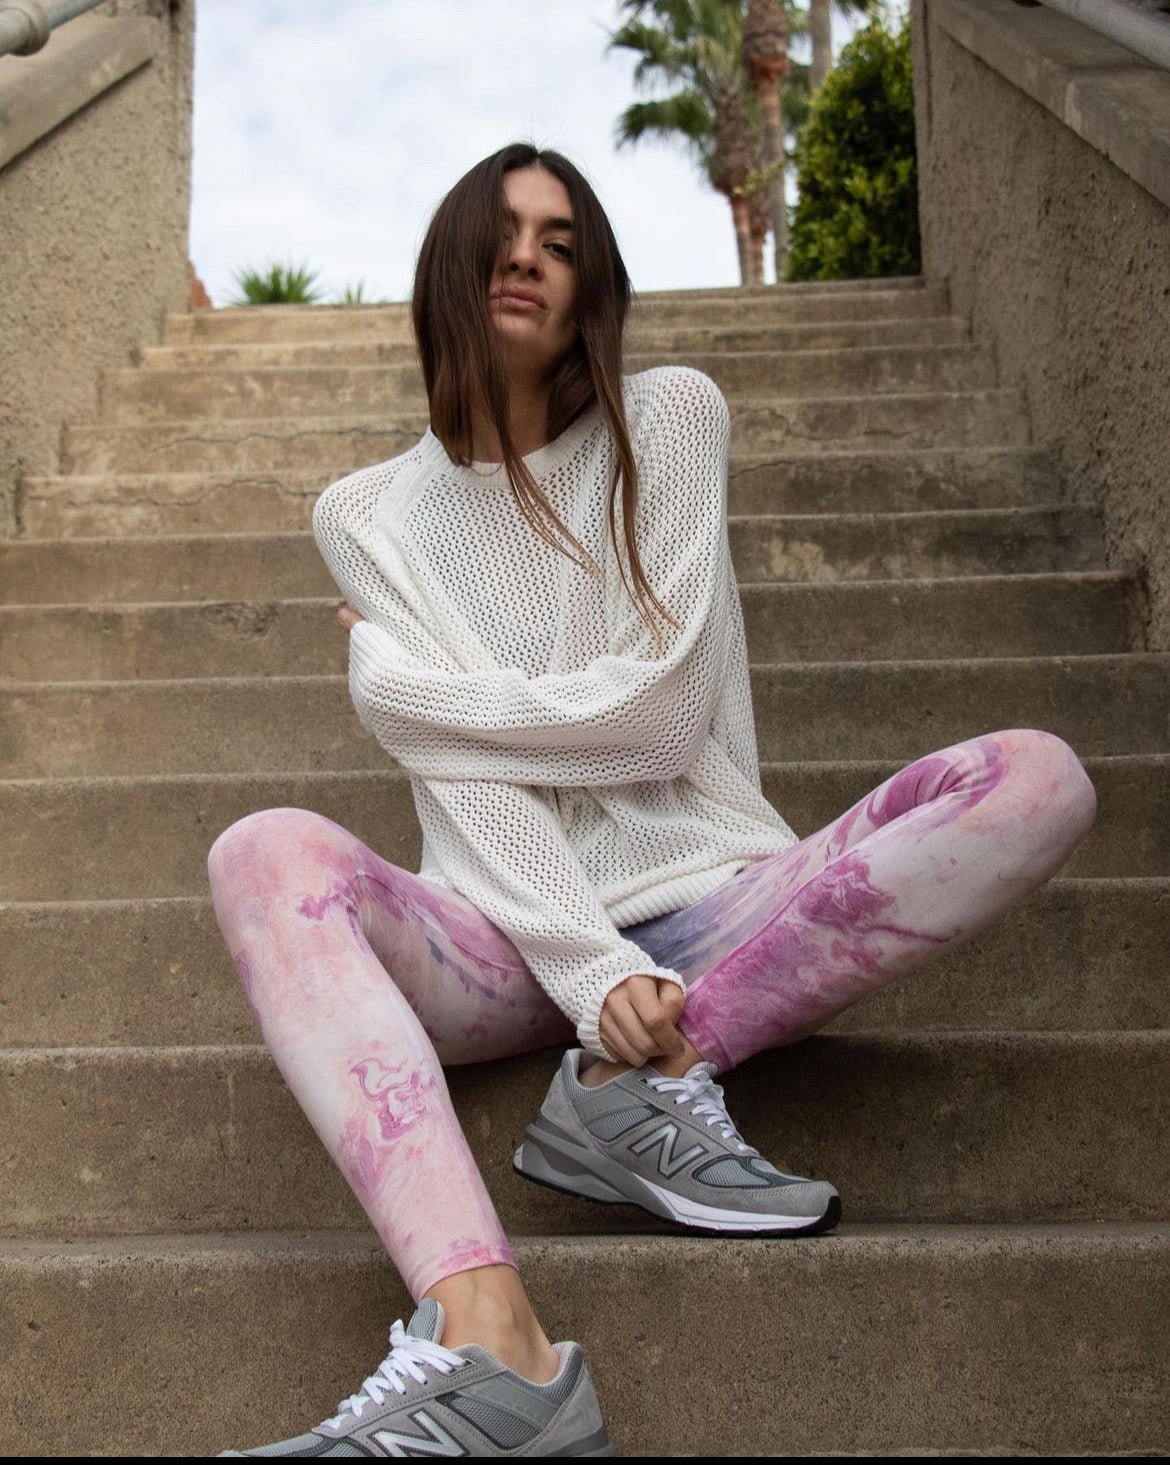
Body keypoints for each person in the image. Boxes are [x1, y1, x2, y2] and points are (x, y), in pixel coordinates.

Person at [207, 141, 1097, 1458]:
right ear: (450, 263)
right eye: (503, 232)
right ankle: (491, 1341)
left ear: (591, 286)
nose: (526, 257)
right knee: (263, 850)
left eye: (560, 242)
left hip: (718, 907)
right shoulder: (367, 513)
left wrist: (403, 691)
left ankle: (647, 1081)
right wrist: (587, 968)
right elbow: (470, 780)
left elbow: (662, 715)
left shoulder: (669, 418)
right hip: (506, 932)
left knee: (1034, 776)